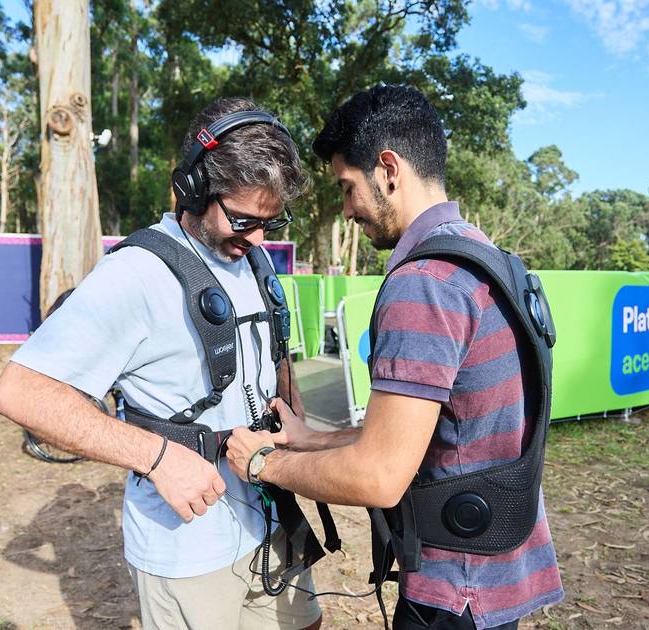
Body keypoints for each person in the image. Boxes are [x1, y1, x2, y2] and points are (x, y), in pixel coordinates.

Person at [225, 84, 565, 629]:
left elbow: (380, 474)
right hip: (496, 571)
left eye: (347, 187)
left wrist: (264, 463)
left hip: (454, 590)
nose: (346, 208)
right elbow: (427, 436)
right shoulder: (487, 260)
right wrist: (311, 439)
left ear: (387, 169)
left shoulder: (424, 285)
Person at [0, 97, 324, 630]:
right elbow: (20, 392)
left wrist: (296, 424)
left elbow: (274, 353)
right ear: (193, 187)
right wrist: (156, 457)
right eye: (243, 219)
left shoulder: (254, 258)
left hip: (269, 521)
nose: (260, 237)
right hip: (188, 550)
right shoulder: (137, 274)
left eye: (271, 220)